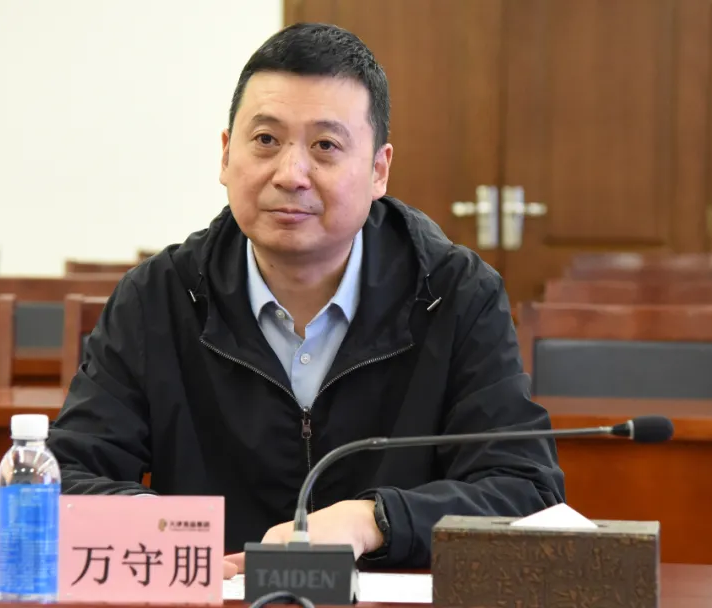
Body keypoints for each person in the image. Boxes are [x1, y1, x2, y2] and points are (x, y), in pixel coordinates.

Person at [47, 22, 565, 577]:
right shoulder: (158, 296)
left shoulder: (455, 294)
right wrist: (169, 536)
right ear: (225, 155)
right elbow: (61, 480)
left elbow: (525, 490)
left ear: (379, 170)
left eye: (325, 146)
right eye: (266, 141)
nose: (290, 174)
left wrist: (375, 521)